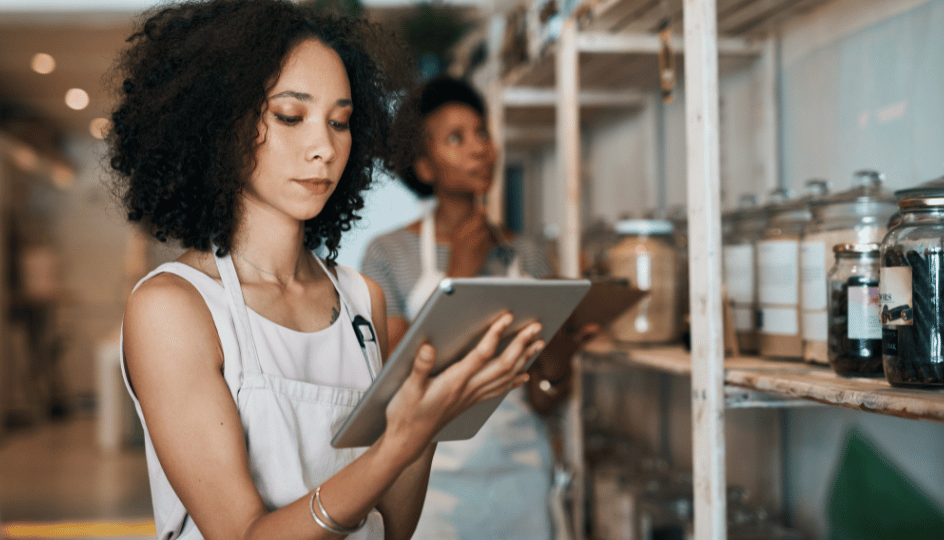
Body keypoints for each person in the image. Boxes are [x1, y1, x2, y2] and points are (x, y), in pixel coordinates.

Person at [107, 2, 546, 539]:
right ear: (221, 125)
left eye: (340, 121)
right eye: (291, 116)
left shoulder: (363, 299)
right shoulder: (174, 308)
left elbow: (394, 527)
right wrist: (398, 445)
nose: (325, 147)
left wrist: (430, 421)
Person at [361, 76, 595, 540]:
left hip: (521, 477)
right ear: (424, 167)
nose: (479, 149)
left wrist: (560, 358)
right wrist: (462, 278)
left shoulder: (525, 255)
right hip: (431, 482)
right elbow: (398, 381)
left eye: (482, 133)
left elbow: (545, 401)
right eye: (456, 138)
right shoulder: (388, 254)